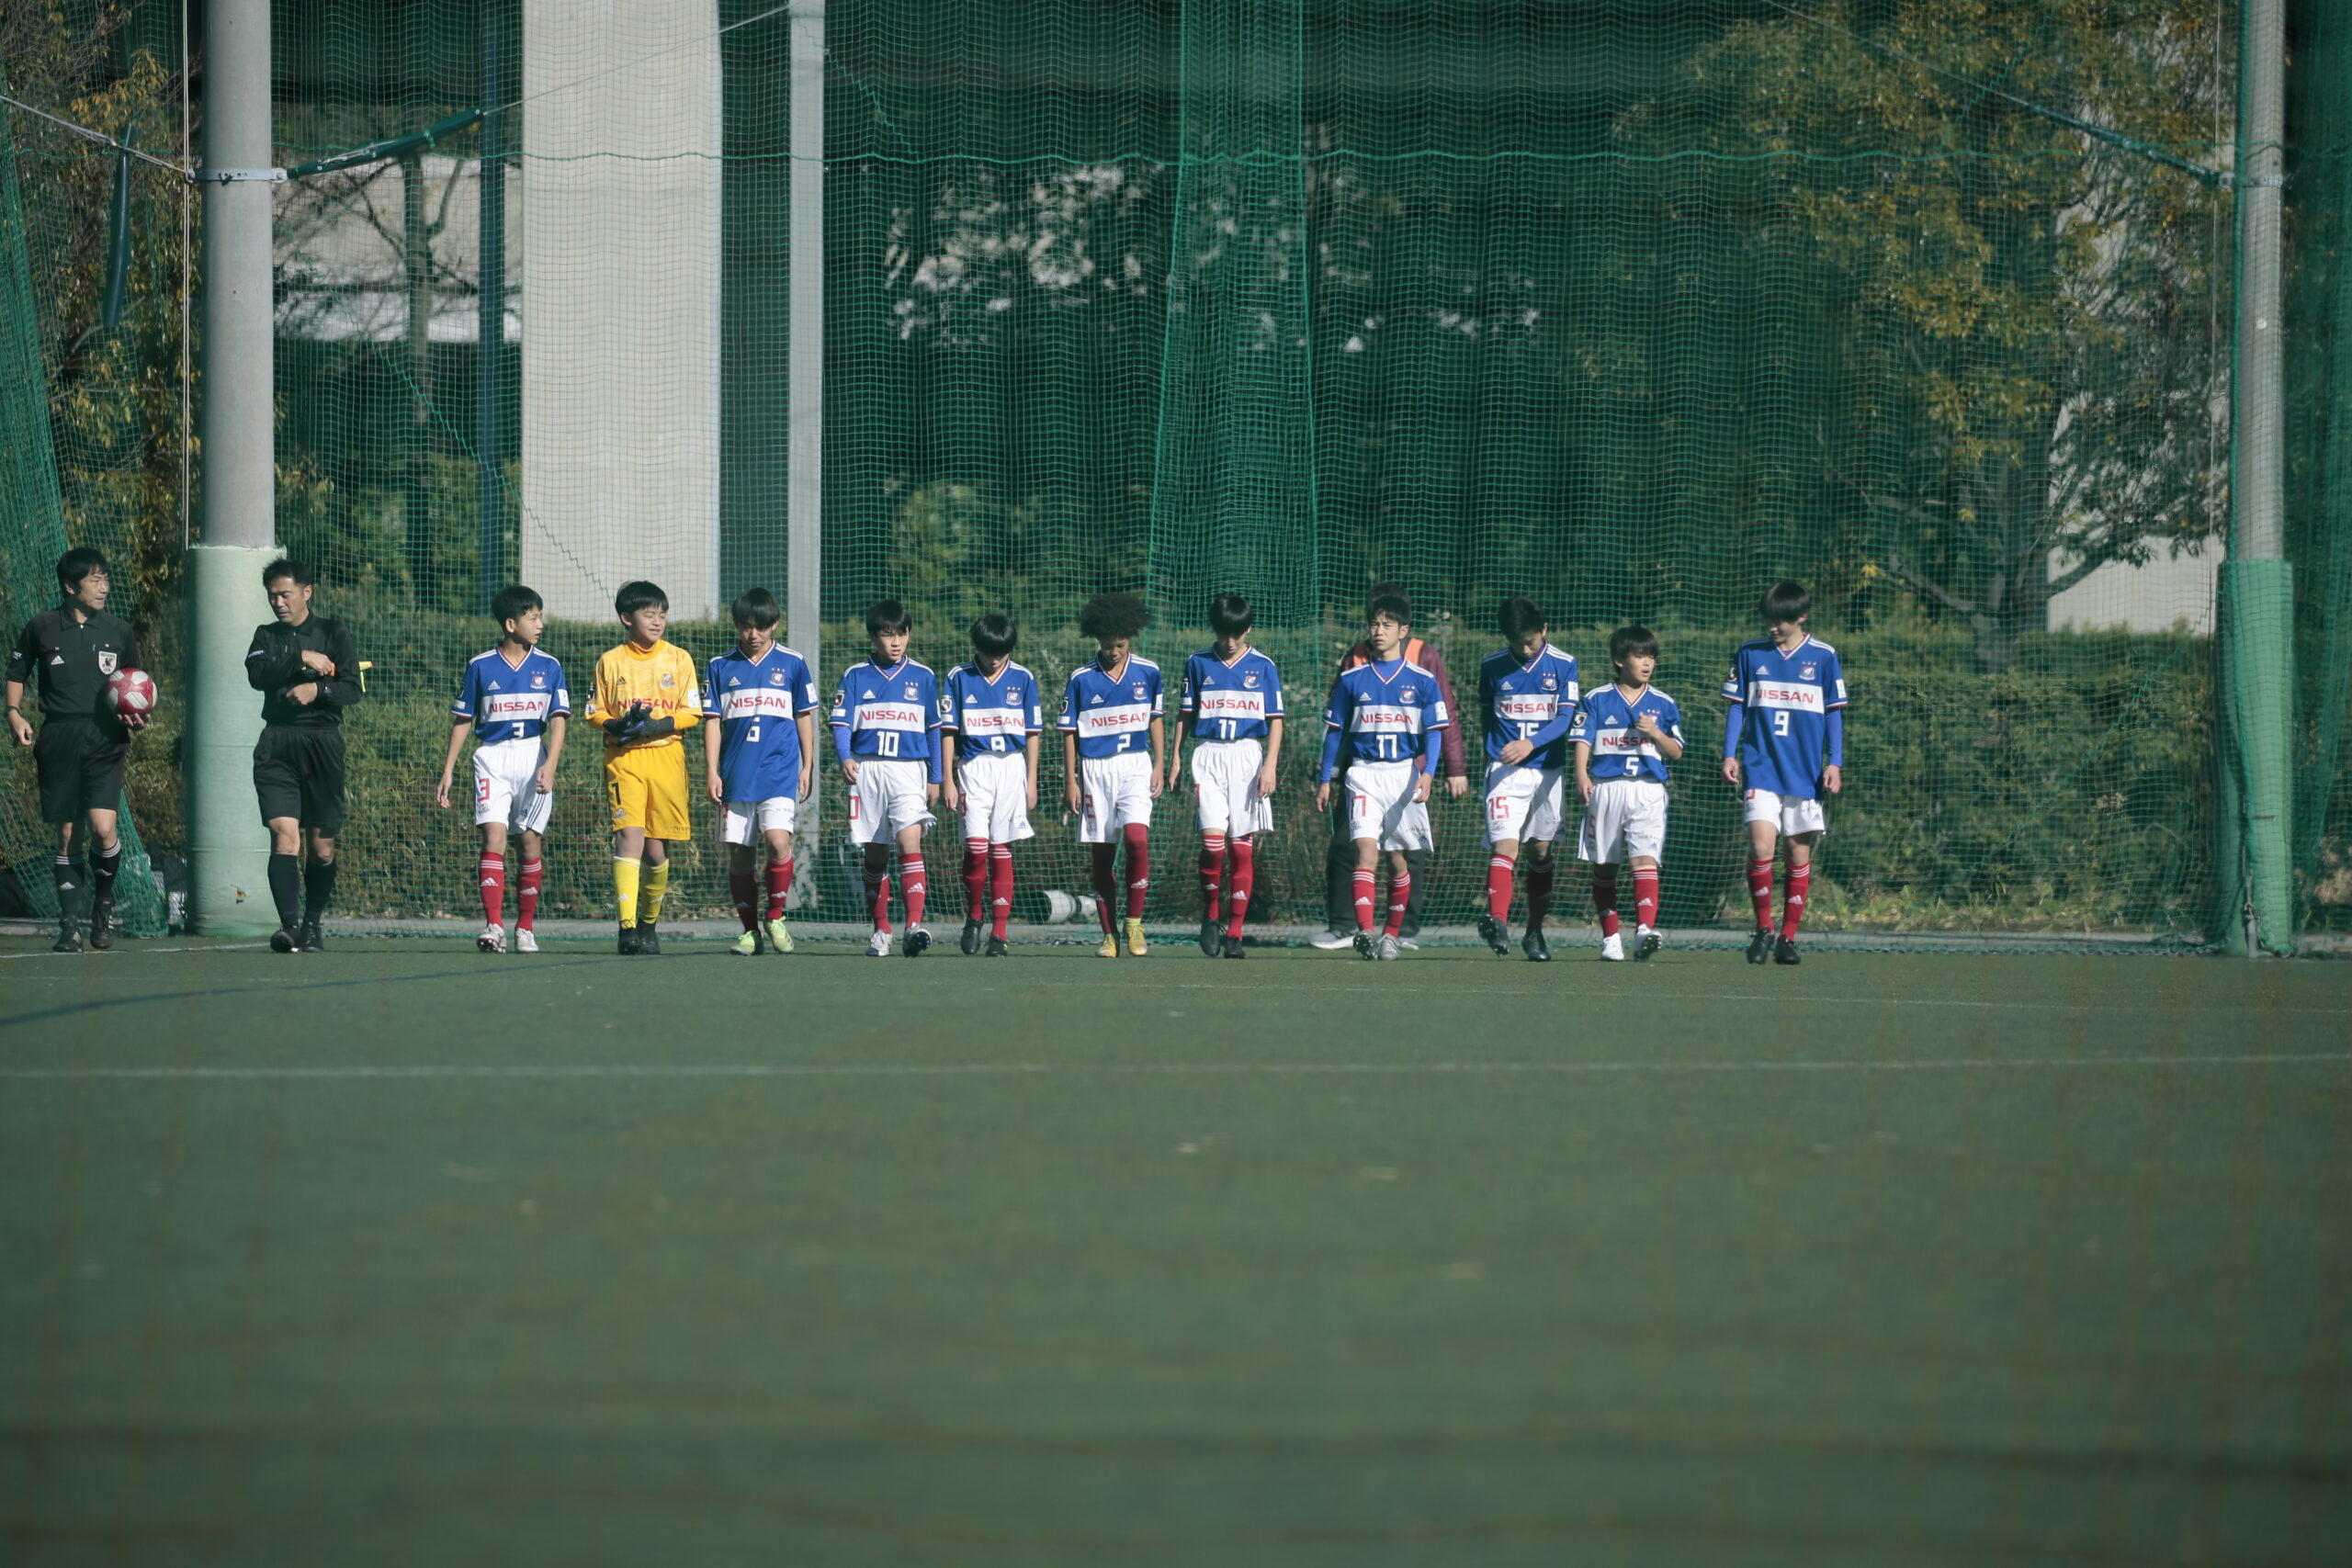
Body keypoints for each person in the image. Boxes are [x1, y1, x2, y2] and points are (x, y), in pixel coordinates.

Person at [6, 547, 148, 952]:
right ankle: (69, 927)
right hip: (59, 739)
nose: (104, 587)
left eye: (106, 579)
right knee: (68, 834)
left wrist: (138, 714)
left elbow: (137, 683)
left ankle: (102, 906)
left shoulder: (119, 630)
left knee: (105, 831)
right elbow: (17, 671)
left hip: (105, 739)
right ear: (71, 587)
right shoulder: (41, 627)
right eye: (95, 581)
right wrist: (14, 713)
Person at [1310, 583, 1467, 949]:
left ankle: (1394, 935)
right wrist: (1325, 778)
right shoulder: (1351, 678)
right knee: (1365, 850)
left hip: (1403, 775)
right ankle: (1364, 932)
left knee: (1399, 858)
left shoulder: (1423, 678)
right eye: (1373, 624)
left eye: (1386, 625)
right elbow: (1334, 732)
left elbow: (1436, 731)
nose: (1378, 631)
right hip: (1363, 774)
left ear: (1403, 630)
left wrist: (1430, 773)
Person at [434, 584, 569, 954]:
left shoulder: (549, 665)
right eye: (533, 617)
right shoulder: (480, 666)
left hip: (533, 756)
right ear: (511, 624)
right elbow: (463, 719)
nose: (540, 623)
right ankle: (494, 927)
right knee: (493, 838)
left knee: (529, 841)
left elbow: (558, 719)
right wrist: (448, 770)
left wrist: (551, 764)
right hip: (491, 757)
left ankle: (525, 928)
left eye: (540, 616)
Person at [1722, 581, 1848, 965]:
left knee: (1797, 852)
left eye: (1781, 621)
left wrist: (1835, 762)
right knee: (1761, 847)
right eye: (1769, 619)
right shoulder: (1750, 653)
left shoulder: (1824, 657)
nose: (1773, 627)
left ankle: (1788, 938)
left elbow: (1834, 713)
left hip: (1805, 774)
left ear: (1801, 617)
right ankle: (1763, 929)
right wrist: (1730, 754)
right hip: (1761, 769)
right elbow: (1737, 707)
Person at [245, 558, 364, 953]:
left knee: (321, 846)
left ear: (306, 593)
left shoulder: (333, 632)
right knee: (284, 835)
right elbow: (257, 676)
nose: (278, 602)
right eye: (272, 595)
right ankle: (290, 926)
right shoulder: (266, 635)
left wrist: (319, 691)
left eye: (285, 594)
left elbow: (352, 689)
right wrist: (300, 659)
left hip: (322, 742)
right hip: (277, 744)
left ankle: (313, 924)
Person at [702, 587, 819, 957]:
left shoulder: (793, 663)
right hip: (737, 775)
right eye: (745, 626)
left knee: (778, 841)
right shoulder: (720, 666)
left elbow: (804, 716)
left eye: (761, 627)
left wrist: (807, 765)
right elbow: (712, 722)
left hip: (779, 771)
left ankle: (776, 916)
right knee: (740, 854)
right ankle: (750, 932)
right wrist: (711, 771)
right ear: (736, 626)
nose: (753, 634)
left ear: (775, 625)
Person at [588, 580, 701, 955]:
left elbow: (692, 713)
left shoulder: (679, 658)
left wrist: (657, 725)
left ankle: (649, 924)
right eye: (648, 614)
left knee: (656, 851)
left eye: (662, 615)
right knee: (629, 837)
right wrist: (615, 725)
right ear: (626, 618)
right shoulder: (610, 660)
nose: (657, 622)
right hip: (624, 761)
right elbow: (595, 711)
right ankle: (626, 929)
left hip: (667, 758)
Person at [1170, 592, 1283, 959]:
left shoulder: (1263, 665)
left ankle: (1235, 932)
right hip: (1208, 755)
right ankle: (1211, 915)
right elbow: (1185, 715)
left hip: (1248, 756)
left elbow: (1276, 720)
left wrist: (1270, 765)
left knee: (1241, 847)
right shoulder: (1198, 662)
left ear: (1247, 629)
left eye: (1236, 634)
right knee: (1212, 846)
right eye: (1223, 633)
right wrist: (1174, 759)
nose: (1229, 641)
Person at [831, 599, 943, 957]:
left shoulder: (923, 676)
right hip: (868, 771)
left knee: (910, 841)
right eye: (888, 635)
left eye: (902, 634)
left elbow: (933, 730)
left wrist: (936, 777)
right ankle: (881, 929)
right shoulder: (855, 675)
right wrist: (845, 757)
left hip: (909, 770)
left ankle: (914, 926)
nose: (896, 642)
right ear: (873, 637)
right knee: (876, 854)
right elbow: (841, 723)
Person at [1474, 596, 1580, 962]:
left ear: (1544, 630)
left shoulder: (1565, 665)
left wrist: (1530, 744)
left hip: (1547, 771)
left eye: (1531, 642)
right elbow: (1487, 715)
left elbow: (1566, 720)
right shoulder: (1492, 666)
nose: (1524, 648)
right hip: (1505, 771)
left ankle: (1534, 932)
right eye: (1517, 641)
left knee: (1540, 852)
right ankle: (1498, 923)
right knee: (1505, 846)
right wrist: (1500, 750)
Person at [1572, 626, 1685, 962]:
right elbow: (1582, 738)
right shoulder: (1595, 698)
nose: (1647, 662)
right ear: (1620, 660)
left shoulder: (1663, 703)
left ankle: (1643, 931)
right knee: (1605, 866)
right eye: (1639, 655)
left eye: (1651, 656)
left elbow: (1676, 751)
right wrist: (1581, 774)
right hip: (1606, 789)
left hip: (1648, 790)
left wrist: (1656, 733)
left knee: (1645, 861)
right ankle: (1610, 938)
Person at [1060, 592, 1163, 958]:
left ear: (1129, 638)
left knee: (1137, 839)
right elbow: (1069, 732)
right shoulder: (1081, 679)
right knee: (1102, 858)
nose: (1113, 651)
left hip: (1135, 764)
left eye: (1119, 644)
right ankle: (1109, 935)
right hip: (1095, 772)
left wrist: (1160, 764)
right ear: (1097, 639)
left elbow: (1155, 719)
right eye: (1107, 645)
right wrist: (1071, 780)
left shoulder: (1148, 672)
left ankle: (1134, 923)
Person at [940, 612, 1042, 957]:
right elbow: (948, 733)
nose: (994, 658)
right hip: (974, 768)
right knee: (975, 848)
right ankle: (974, 915)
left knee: (1002, 849)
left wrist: (1032, 781)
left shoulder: (1024, 678)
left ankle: (999, 932)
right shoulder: (958, 677)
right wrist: (949, 780)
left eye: (1001, 651)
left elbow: (1032, 735)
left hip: (1012, 768)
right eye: (987, 651)